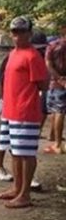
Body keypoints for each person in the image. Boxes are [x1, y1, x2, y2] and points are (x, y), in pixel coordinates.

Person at [0, 17, 49, 209]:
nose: (18, 35)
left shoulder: (33, 56)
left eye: (22, 32)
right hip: (10, 111)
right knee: (14, 152)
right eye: (15, 32)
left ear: (29, 34)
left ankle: (25, 194)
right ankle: (17, 188)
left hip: (25, 111)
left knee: (26, 153)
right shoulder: (14, 53)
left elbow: (43, 84)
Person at [44, 22, 66, 154]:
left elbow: (48, 64)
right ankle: (55, 139)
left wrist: (59, 78)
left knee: (57, 111)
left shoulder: (53, 45)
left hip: (56, 83)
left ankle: (57, 143)